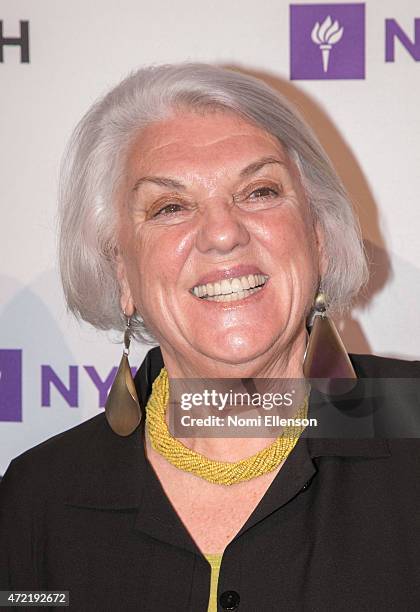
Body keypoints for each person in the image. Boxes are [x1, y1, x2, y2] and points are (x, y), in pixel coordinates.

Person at [0, 63, 419, 612]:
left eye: (260, 191)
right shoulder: (40, 497)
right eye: (169, 207)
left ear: (318, 239)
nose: (223, 233)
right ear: (122, 273)